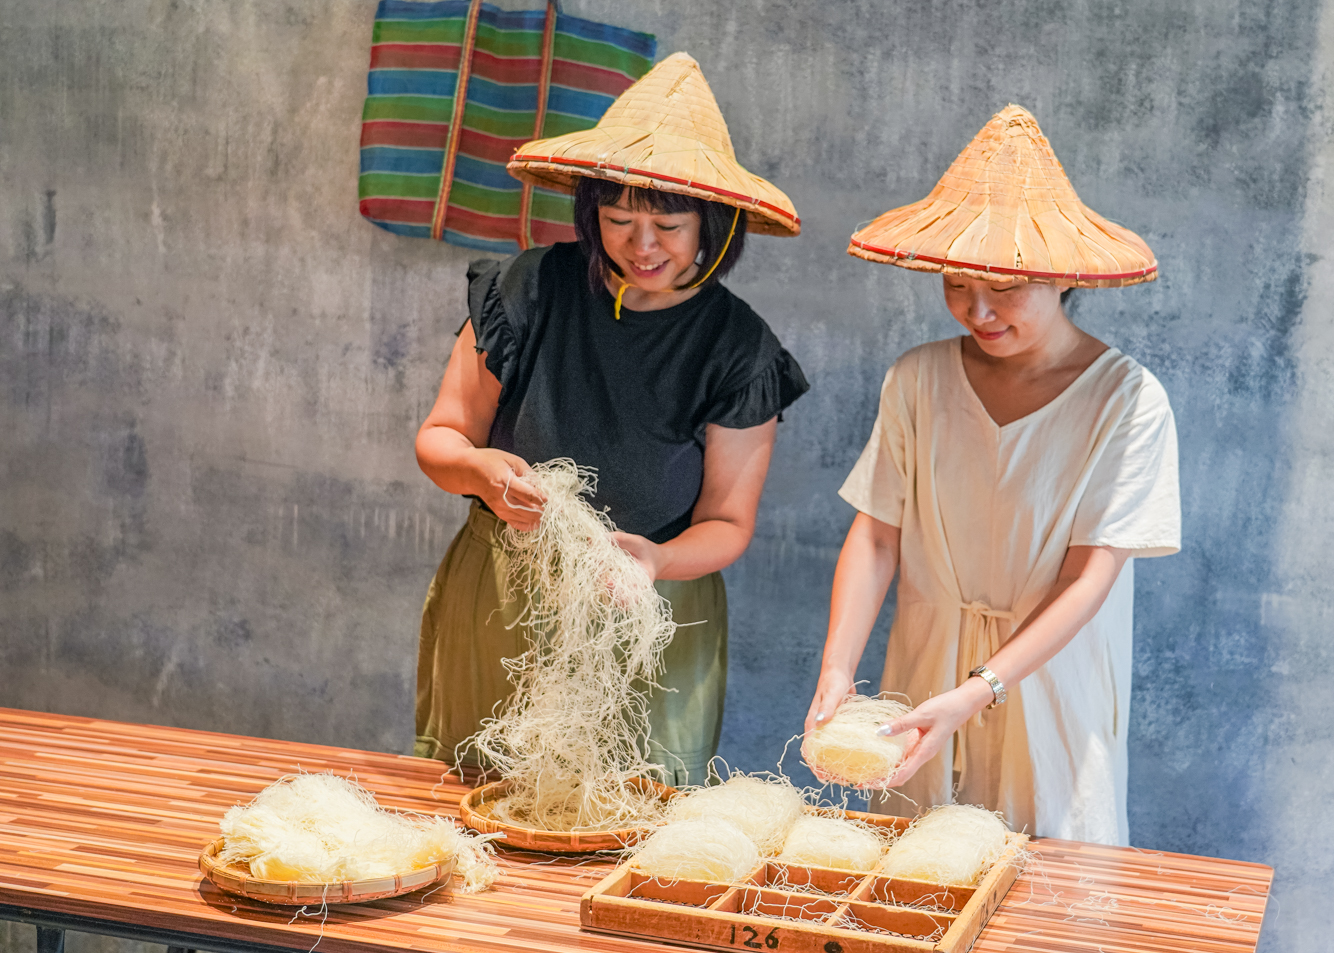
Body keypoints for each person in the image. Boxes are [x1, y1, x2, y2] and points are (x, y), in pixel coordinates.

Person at [414, 53, 809, 785]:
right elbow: (440, 438)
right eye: (618, 218)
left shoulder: (739, 348)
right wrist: (479, 469)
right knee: (483, 799)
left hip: (651, 607)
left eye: (669, 223)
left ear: (716, 226)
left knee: (635, 811)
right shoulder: (529, 286)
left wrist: (653, 561)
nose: (642, 244)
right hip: (508, 592)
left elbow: (727, 522)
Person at [805, 105, 1180, 844]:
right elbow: (877, 535)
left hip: (1048, 683)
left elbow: (1088, 577)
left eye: (1003, 286)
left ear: (1061, 276)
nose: (976, 309)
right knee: (914, 881)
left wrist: (980, 690)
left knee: (1052, 902)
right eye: (955, 283)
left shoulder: (1128, 399)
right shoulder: (917, 379)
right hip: (923, 675)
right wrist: (837, 669)